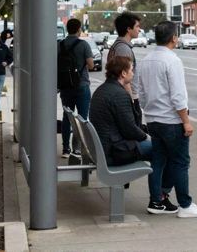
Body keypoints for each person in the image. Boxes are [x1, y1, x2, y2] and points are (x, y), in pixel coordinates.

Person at [138, 21, 197, 218]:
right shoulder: (173, 61)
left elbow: (140, 94)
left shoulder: (145, 61)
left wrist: (150, 110)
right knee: (180, 162)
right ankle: (185, 205)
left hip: (153, 120)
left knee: (159, 161)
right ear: (174, 38)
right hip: (171, 121)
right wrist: (186, 120)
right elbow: (178, 96)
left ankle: (156, 202)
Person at [90, 55, 178, 214]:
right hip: (114, 151)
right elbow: (130, 130)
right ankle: (159, 199)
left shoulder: (102, 90)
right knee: (164, 149)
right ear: (123, 73)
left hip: (104, 147)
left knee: (160, 147)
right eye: (131, 70)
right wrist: (147, 136)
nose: (133, 73)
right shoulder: (120, 94)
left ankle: (160, 196)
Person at [59, 19, 94, 158]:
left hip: (65, 86)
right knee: (82, 117)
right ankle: (77, 149)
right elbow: (91, 65)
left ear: (67, 29)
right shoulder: (83, 44)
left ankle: (65, 149)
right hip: (82, 85)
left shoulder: (60, 44)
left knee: (67, 116)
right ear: (79, 29)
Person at [107, 12, 143, 127]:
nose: (140, 30)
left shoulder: (120, 46)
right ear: (128, 29)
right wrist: (131, 99)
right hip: (127, 97)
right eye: (137, 26)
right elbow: (123, 76)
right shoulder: (123, 49)